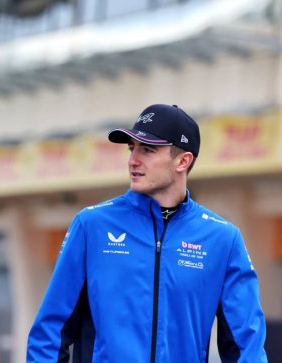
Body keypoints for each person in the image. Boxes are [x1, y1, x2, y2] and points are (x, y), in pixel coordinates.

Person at [27, 104, 268, 362]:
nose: (133, 160)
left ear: (183, 161)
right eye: (132, 148)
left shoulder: (223, 239)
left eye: (148, 150)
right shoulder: (91, 225)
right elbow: (50, 332)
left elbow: (247, 346)